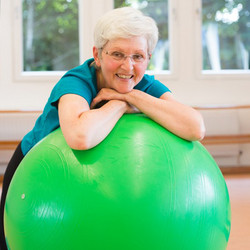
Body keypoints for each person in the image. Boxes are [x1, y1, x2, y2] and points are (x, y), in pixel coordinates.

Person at [0, 7, 205, 249]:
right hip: (34, 173)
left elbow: (195, 127)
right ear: (97, 55)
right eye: (117, 54)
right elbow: (80, 136)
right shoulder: (76, 81)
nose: (128, 67)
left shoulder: (144, 85)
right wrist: (119, 103)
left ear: (148, 58)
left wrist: (133, 98)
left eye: (138, 56)